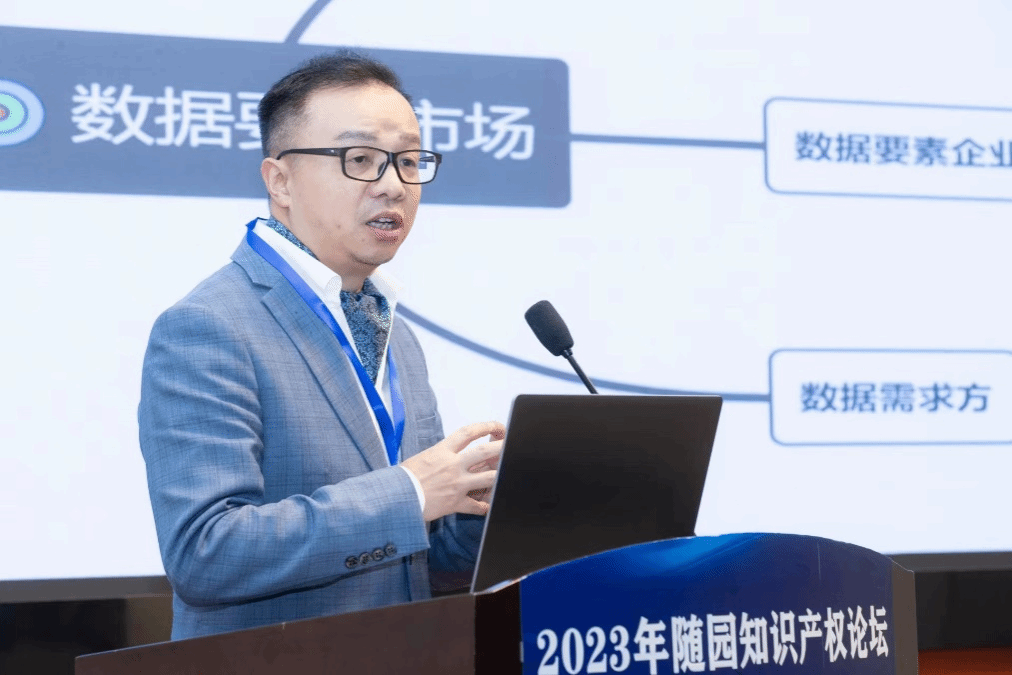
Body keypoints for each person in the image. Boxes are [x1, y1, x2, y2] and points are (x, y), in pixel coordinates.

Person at [138, 51, 504, 640]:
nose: (393, 185)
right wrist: (412, 492)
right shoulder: (209, 326)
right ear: (280, 180)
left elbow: (419, 560)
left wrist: (491, 502)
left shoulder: (394, 332)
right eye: (360, 160)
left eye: (409, 161)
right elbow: (206, 554)